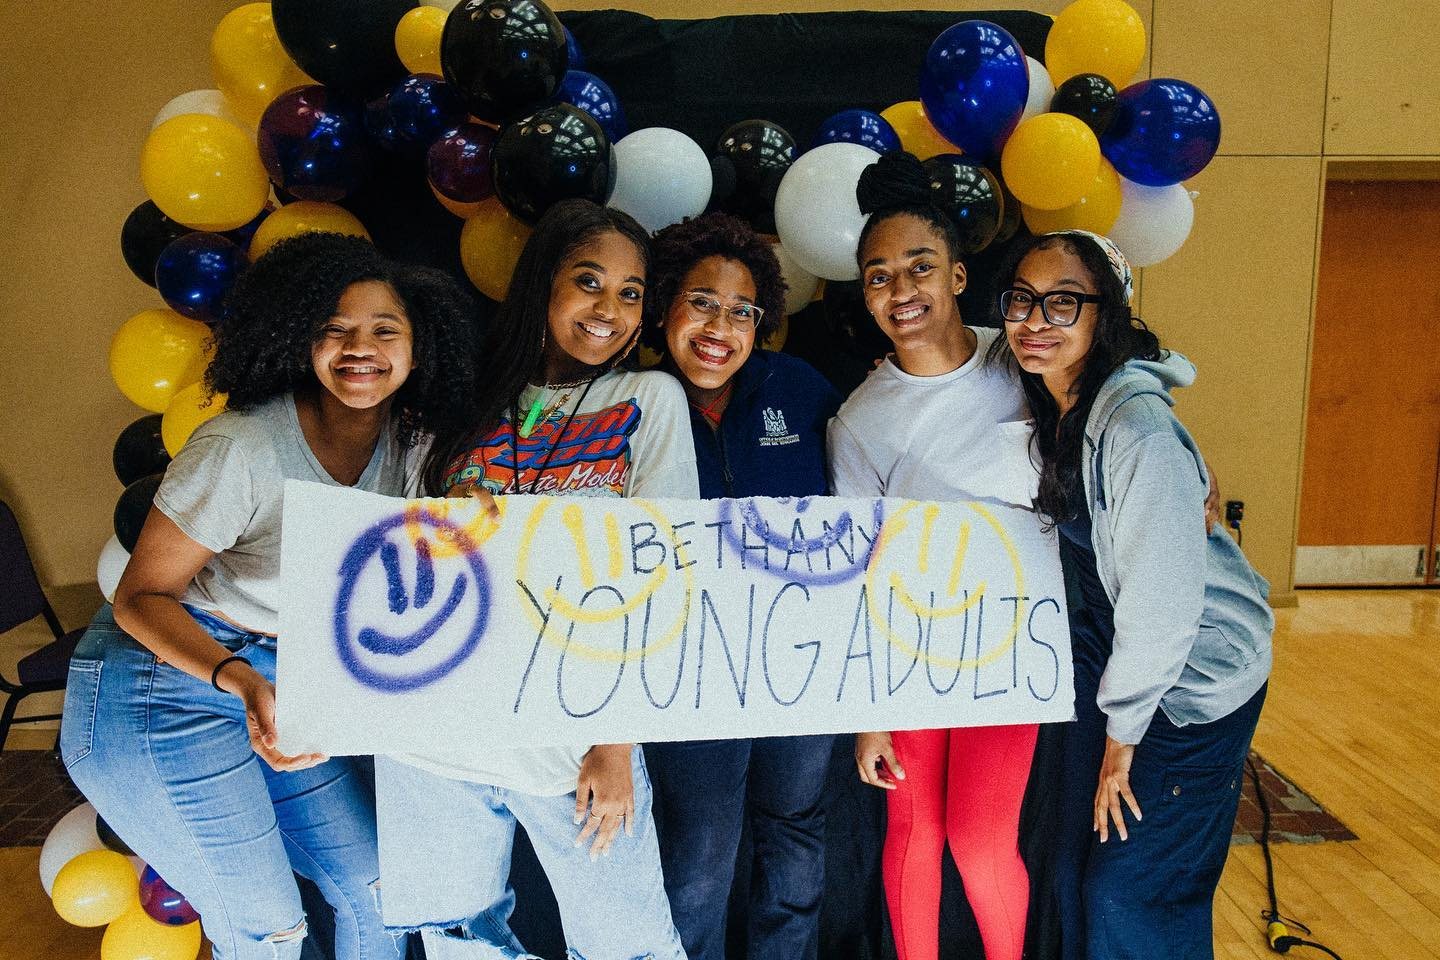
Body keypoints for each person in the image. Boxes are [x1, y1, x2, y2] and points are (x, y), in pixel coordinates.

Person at [60, 232, 480, 960]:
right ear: (299, 341)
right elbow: (140, 597)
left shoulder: (418, 449)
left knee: (377, 889)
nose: (361, 348)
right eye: (334, 329)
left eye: (386, 330)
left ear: (419, 350)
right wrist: (241, 678)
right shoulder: (243, 447)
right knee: (269, 929)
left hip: (280, 684)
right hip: (162, 686)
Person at [379, 199, 694, 960]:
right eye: (588, 282)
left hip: (572, 739)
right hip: (434, 735)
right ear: (542, 283)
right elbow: (393, 556)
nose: (609, 309)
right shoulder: (453, 400)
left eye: (630, 293)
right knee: (460, 942)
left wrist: (616, 744)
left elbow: (663, 572)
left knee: (629, 947)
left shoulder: (648, 400)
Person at [990, 229, 1272, 959]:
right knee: (1071, 859)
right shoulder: (1055, 389)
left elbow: (1161, 607)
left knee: (1132, 888)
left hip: (1190, 681)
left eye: (1063, 303)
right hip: (1114, 657)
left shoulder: (1136, 428)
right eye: (1021, 300)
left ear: (1105, 314)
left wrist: (1122, 740)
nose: (1035, 321)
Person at [828, 151, 1040, 960]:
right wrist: (868, 711)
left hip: (1013, 646)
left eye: (919, 266)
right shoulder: (859, 419)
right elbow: (855, 570)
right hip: (909, 650)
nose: (901, 288)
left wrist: (1195, 467)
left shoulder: (1021, 359)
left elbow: (1130, 392)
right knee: (914, 832)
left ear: (957, 275)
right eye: (878, 276)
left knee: (981, 841)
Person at [639, 212, 840, 960]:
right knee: (699, 847)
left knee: (794, 834)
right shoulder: (630, 402)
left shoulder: (802, 390)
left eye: (742, 310)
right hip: (689, 669)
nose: (720, 327)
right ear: (665, 304)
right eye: (701, 302)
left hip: (800, 658)